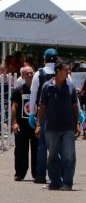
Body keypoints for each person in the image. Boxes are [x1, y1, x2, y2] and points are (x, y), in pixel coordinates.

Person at [35, 61, 79, 190]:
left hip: (68, 127)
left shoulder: (70, 86)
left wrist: (77, 123)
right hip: (52, 128)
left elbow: (74, 106)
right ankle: (55, 181)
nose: (68, 72)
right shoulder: (47, 87)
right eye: (66, 70)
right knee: (53, 156)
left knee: (69, 156)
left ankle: (67, 183)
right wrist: (38, 124)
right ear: (58, 71)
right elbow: (42, 107)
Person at [28, 48, 60, 184]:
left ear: (44, 58)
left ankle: (40, 176)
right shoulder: (62, 73)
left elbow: (33, 95)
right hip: (60, 113)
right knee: (57, 146)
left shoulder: (38, 74)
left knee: (41, 146)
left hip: (43, 113)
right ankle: (57, 176)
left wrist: (31, 114)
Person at [11, 66, 38, 181]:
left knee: (37, 149)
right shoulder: (18, 90)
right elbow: (14, 107)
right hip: (22, 125)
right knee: (20, 150)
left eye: (32, 73)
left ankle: (37, 173)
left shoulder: (39, 90)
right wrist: (14, 123)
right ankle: (19, 173)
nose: (30, 75)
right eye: (27, 73)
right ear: (22, 76)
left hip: (36, 124)